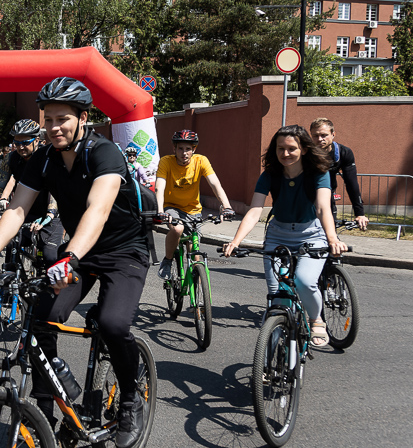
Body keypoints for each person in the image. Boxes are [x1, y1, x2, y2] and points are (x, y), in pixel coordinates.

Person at [0, 77, 150, 448]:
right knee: (40, 320)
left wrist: (70, 257)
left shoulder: (104, 153)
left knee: (113, 324)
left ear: (83, 117)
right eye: (48, 119)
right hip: (79, 251)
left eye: (62, 119)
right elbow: (17, 208)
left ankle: (131, 399)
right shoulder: (44, 159)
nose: (53, 127)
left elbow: (97, 212)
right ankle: (46, 408)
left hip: (123, 250)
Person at [222, 125, 348, 348]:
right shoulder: (270, 175)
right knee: (276, 297)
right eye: (280, 148)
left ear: (304, 150)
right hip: (278, 235)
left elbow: (322, 208)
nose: (285, 153)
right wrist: (236, 240)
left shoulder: (319, 173)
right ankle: (270, 360)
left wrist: (332, 239)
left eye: (291, 148)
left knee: (304, 281)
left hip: (311, 235)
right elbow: (254, 210)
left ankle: (316, 318)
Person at [0, 119, 64, 265]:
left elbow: (55, 188)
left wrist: (50, 214)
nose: (20, 147)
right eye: (16, 143)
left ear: (37, 140)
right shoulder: (10, 159)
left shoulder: (49, 156)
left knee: (50, 256)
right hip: (25, 211)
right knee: (12, 247)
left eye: (25, 143)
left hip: (52, 213)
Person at [155, 130, 236, 279]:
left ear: (194, 150)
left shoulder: (201, 161)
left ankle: (197, 300)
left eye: (188, 149)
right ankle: (167, 261)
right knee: (178, 229)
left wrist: (227, 207)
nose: (184, 153)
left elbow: (215, 184)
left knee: (195, 258)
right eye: (180, 148)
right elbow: (160, 186)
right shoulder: (166, 161)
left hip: (193, 210)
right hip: (171, 207)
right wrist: (160, 211)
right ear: (174, 149)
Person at [308, 118, 369, 230]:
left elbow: (351, 184)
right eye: (315, 136)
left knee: (330, 232)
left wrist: (359, 213)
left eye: (324, 135)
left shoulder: (343, 153)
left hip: (327, 194)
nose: (320, 139)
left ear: (333, 134)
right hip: (305, 195)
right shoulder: (305, 153)